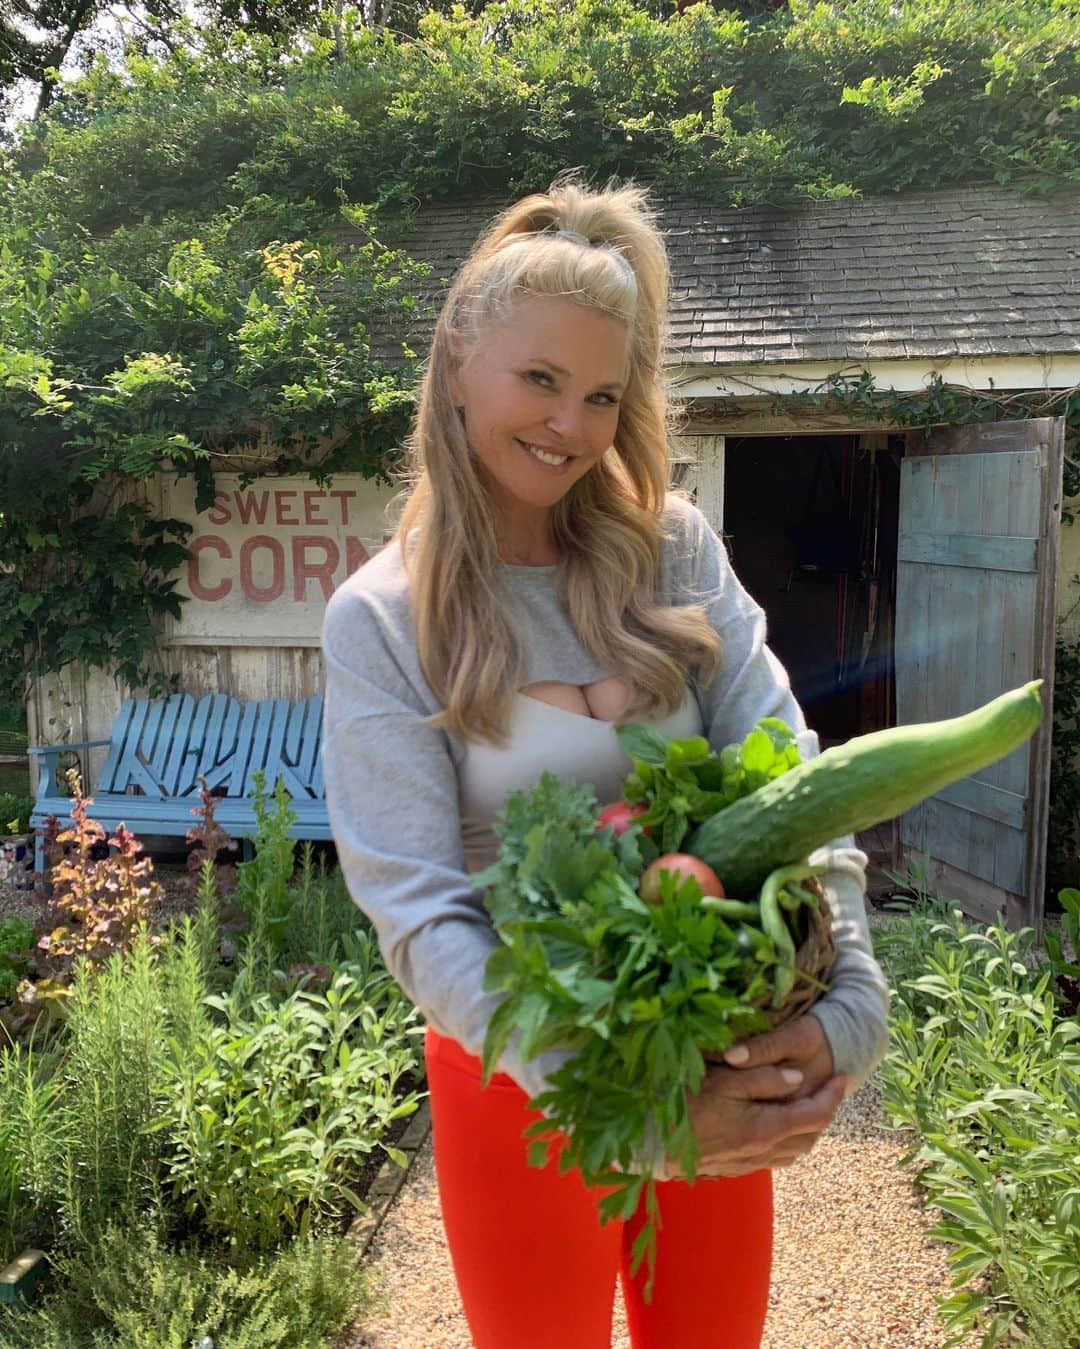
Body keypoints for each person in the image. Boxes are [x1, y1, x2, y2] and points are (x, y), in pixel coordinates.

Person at [322, 173, 890, 1349]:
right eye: (539, 379)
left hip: (713, 1027)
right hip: (517, 1072)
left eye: (600, 394)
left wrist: (851, 1000)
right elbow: (417, 905)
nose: (568, 426)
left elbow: (789, 768)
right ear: (458, 363)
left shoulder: (670, 548)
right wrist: (630, 1120)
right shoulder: (383, 616)